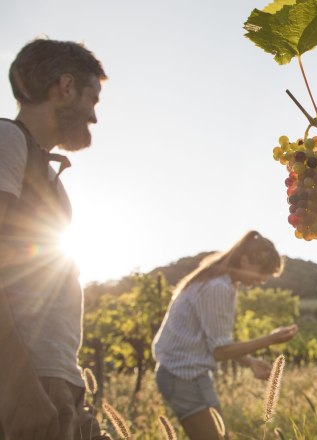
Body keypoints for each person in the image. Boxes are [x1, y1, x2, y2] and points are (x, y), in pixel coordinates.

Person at [0, 39, 108, 440]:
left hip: (54, 376)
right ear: (64, 87)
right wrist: (19, 386)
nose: (95, 116)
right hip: (27, 378)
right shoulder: (7, 141)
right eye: (92, 99)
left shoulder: (43, 169)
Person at [153, 230, 298, 440]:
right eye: (262, 271)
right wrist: (270, 339)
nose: (263, 279)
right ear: (244, 260)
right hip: (182, 376)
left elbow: (214, 340)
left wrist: (249, 362)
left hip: (190, 374)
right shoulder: (218, 287)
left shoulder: (217, 280)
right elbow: (220, 351)